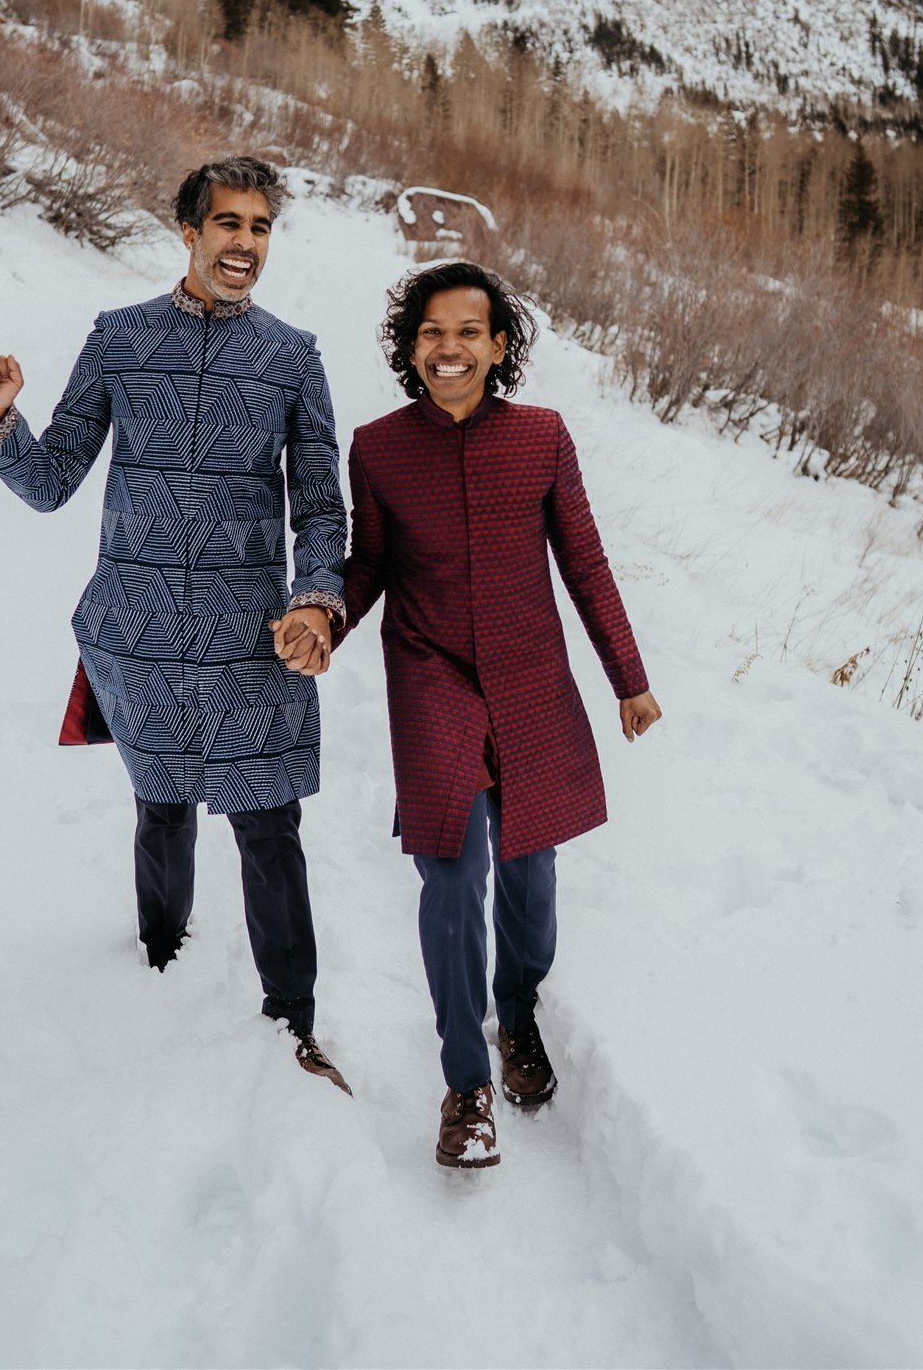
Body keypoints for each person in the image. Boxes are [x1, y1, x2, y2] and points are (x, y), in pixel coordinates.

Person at [0, 156, 351, 1090]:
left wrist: (316, 597)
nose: (245, 243)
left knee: (268, 827)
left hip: (247, 635)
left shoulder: (291, 356)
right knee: (161, 810)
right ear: (188, 231)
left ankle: (291, 1025)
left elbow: (321, 508)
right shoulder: (121, 339)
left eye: (260, 227)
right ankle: (158, 968)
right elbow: (52, 482)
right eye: (228, 224)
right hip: (134, 630)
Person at [325, 260, 661, 1166]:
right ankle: (465, 1082)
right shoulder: (379, 448)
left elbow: (584, 567)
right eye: (431, 332)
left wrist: (627, 678)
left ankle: (518, 1015)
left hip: (529, 675)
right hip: (429, 669)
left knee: (529, 864)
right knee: (449, 865)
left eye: (468, 331)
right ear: (410, 346)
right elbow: (368, 567)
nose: (449, 348)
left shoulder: (542, 439)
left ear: (498, 345)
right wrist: (324, 619)